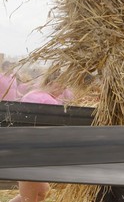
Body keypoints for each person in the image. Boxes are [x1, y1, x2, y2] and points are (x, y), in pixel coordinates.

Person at [9, 72, 73, 202]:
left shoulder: (32, 95)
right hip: (31, 155)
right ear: (52, 83)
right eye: (62, 86)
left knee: (41, 193)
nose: (62, 91)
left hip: (22, 151)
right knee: (29, 198)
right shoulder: (48, 101)